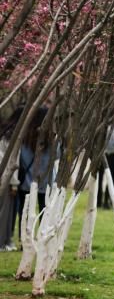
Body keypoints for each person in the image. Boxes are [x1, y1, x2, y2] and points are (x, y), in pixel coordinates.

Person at [14, 106, 55, 239]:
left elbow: (20, 158)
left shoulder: (24, 137)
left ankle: (23, 238)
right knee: (44, 209)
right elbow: (58, 155)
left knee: (24, 211)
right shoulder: (51, 139)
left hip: (26, 180)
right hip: (45, 181)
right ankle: (42, 236)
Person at [0, 108, 22, 251]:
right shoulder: (12, 136)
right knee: (4, 212)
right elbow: (12, 162)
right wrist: (14, 183)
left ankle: (6, 240)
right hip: (6, 179)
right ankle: (2, 242)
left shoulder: (4, 134)